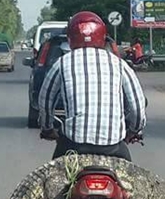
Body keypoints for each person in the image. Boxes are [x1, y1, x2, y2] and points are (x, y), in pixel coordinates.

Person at [37, 11, 147, 161]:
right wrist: (134, 130)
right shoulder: (119, 64)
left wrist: (47, 128)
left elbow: (45, 101)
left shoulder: (62, 63)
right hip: (113, 146)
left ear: (70, 38)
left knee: (52, 181)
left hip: (73, 146)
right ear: (102, 36)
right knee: (130, 181)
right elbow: (137, 106)